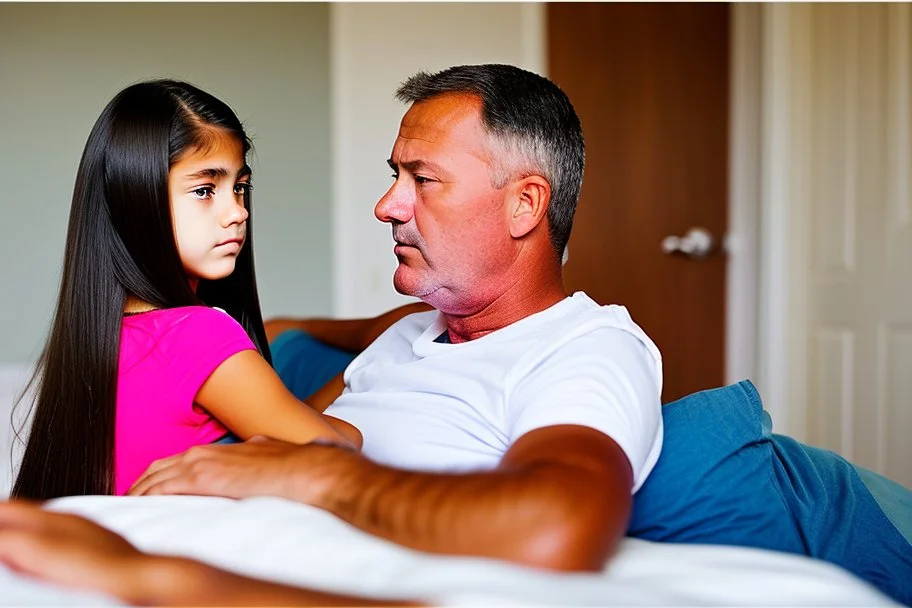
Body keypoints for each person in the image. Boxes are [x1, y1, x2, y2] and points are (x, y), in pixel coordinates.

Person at [0, 63, 664, 603]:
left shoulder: (582, 348)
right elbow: (330, 357)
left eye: (422, 180)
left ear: (525, 204)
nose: (387, 206)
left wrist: (318, 476)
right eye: (392, 176)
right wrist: (287, 330)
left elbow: (555, 527)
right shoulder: (411, 331)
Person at [11, 80, 359, 501]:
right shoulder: (196, 334)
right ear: (135, 199)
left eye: (240, 187)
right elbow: (337, 453)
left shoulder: (97, 340)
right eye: (204, 190)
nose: (237, 212)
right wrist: (367, 376)